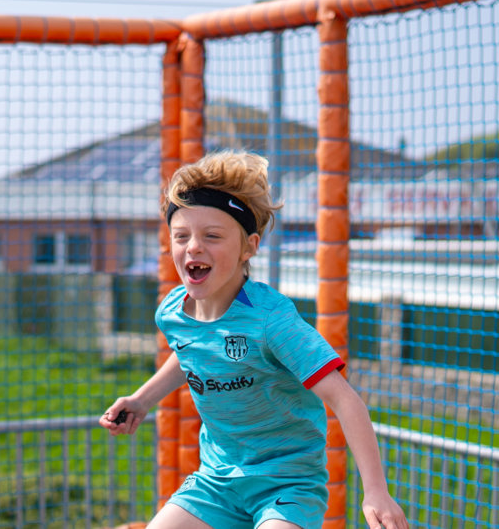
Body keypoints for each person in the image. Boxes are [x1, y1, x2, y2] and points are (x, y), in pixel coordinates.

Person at [99, 151, 408, 528]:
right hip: (215, 483)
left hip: (286, 485)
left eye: (212, 236)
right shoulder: (172, 313)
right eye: (181, 236)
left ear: (250, 246)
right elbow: (191, 354)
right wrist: (141, 399)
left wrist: (376, 491)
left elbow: (344, 398)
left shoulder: (270, 320)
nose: (193, 246)